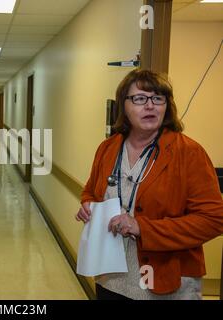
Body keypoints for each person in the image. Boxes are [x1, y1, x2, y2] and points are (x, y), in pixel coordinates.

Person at [75, 69, 223, 300]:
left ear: (167, 106)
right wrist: (87, 205)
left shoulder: (188, 153)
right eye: (140, 99)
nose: (150, 106)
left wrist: (143, 228)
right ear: (123, 105)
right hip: (110, 276)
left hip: (165, 280)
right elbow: (91, 192)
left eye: (158, 98)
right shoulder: (108, 148)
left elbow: (213, 219)